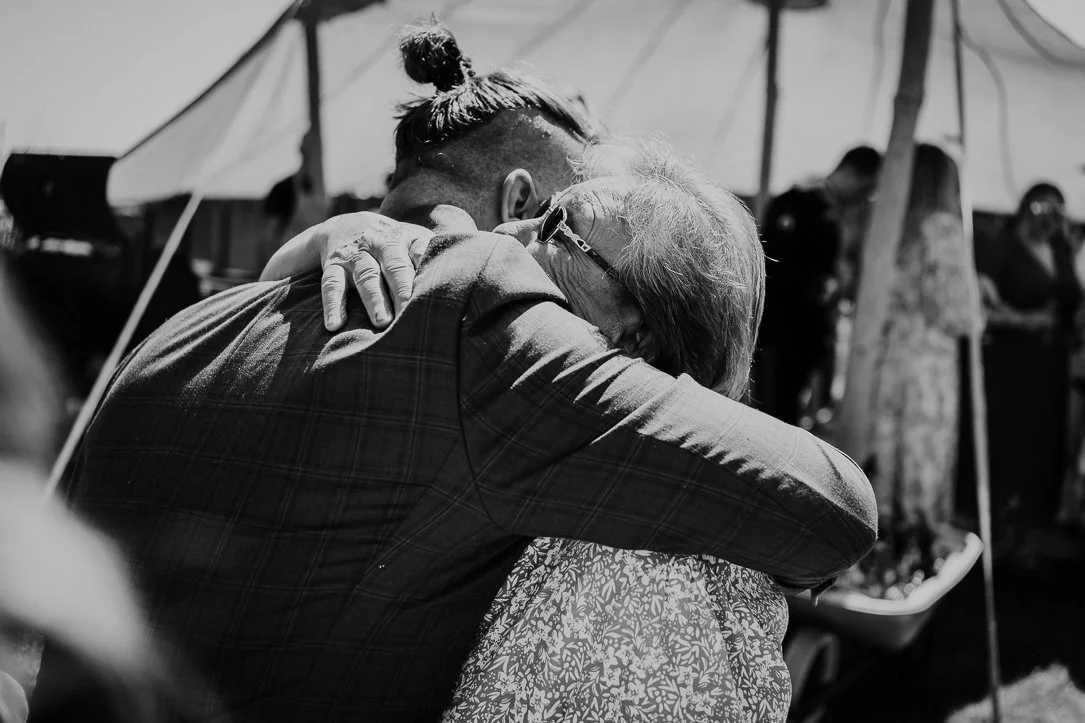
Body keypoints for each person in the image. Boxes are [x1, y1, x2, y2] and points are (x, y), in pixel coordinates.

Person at [45, 20, 876, 723]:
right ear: (520, 204)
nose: (528, 247)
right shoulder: (483, 314)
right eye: (560, 213)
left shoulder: (178, 334)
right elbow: (832, 509)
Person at [268, 136, 791, 722]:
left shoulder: (637, 584)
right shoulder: (549, 458)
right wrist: (329, 237)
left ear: (634, 335)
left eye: (557, 228)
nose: (506, 233)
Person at [857, 144, 982, 591]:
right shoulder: (943, 228)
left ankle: (886, 549)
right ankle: (921, 551)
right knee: (924, 449)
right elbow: (961, 313)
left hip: (892, 354)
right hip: (929, 357)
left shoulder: (891, 225)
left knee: (891, 447)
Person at [976, 182, 1082, 556]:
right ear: (1025, 208)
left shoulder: (1063, 248)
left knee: (1042, 445)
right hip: (1010, 364)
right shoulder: (1000, 246)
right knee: (1010, 443)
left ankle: (1025, 532)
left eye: (1058, 211)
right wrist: (1026, 320)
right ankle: (996, 530)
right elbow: (982, 309)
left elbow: (1070, 301)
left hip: (1051, 366)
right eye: (1042, 209)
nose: (1049, 218)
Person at [756, 145, 882, 426]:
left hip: (810, 336)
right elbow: (773, 266)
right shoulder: (795, 203)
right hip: (781, 334)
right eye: (865, 189)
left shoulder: (834, 213)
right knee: (774, 413)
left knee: (793, 411)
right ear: (852, 172)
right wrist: (823, 284)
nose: (864, 199)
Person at [259, 129, 327, 268]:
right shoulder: (283, 189)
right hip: (287, 267)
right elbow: (269, 237)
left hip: (316, 266)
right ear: (303, 151)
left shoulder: (324, 193)